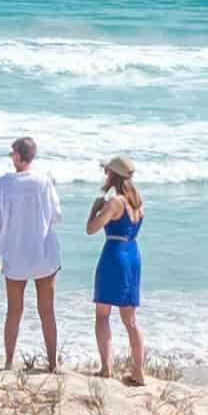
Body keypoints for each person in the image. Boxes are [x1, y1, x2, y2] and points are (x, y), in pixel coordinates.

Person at [0, 135, 62, 372]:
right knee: (47, 311)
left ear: (17, 155)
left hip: (15, 255)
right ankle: (52, 363)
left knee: (14, 311)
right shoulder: (45, 181)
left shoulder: (4, 183)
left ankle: (8, 362)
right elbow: (57, 216)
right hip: (44, 253)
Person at [86, 157, 148, 384]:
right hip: (133, 254)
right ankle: (138, 371)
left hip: (115, 254)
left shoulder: (115, 202)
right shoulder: (137, 202)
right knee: (130, 319)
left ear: (113, 175)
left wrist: (94, 210)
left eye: (107, 172)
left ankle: (106, 368)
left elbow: (91, 229)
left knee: (103, 314)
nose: (105, 175)